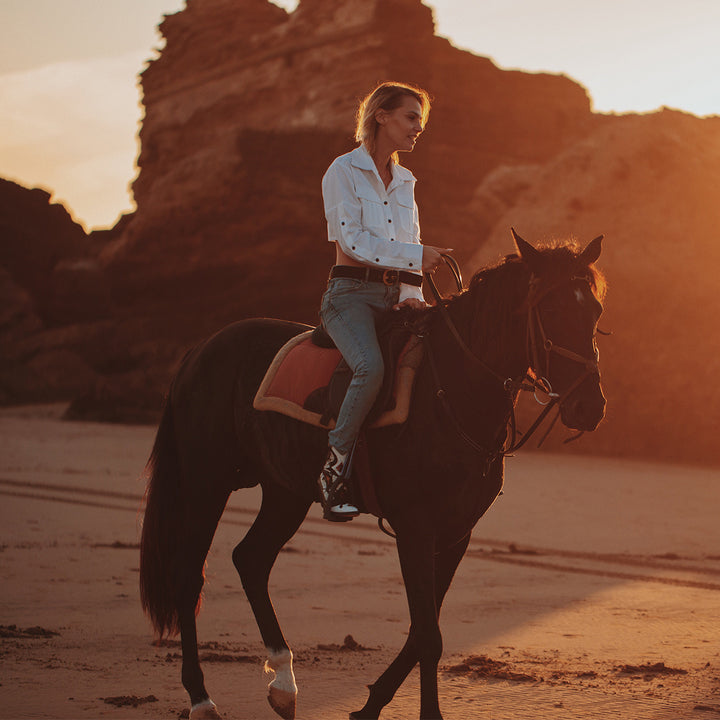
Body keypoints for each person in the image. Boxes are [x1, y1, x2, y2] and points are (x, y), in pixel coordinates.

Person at [317, 81, 452, 521]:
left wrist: (412, 294)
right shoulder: (342, 171)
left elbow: (407, 238)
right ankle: (333, 471)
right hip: (350, 295)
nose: (418, 128)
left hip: (397, 295)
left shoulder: (407, 181)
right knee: (372, 367)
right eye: (411, 118)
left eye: (421, 121)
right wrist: (418, 255)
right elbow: (353, 241)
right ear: (381, 116)